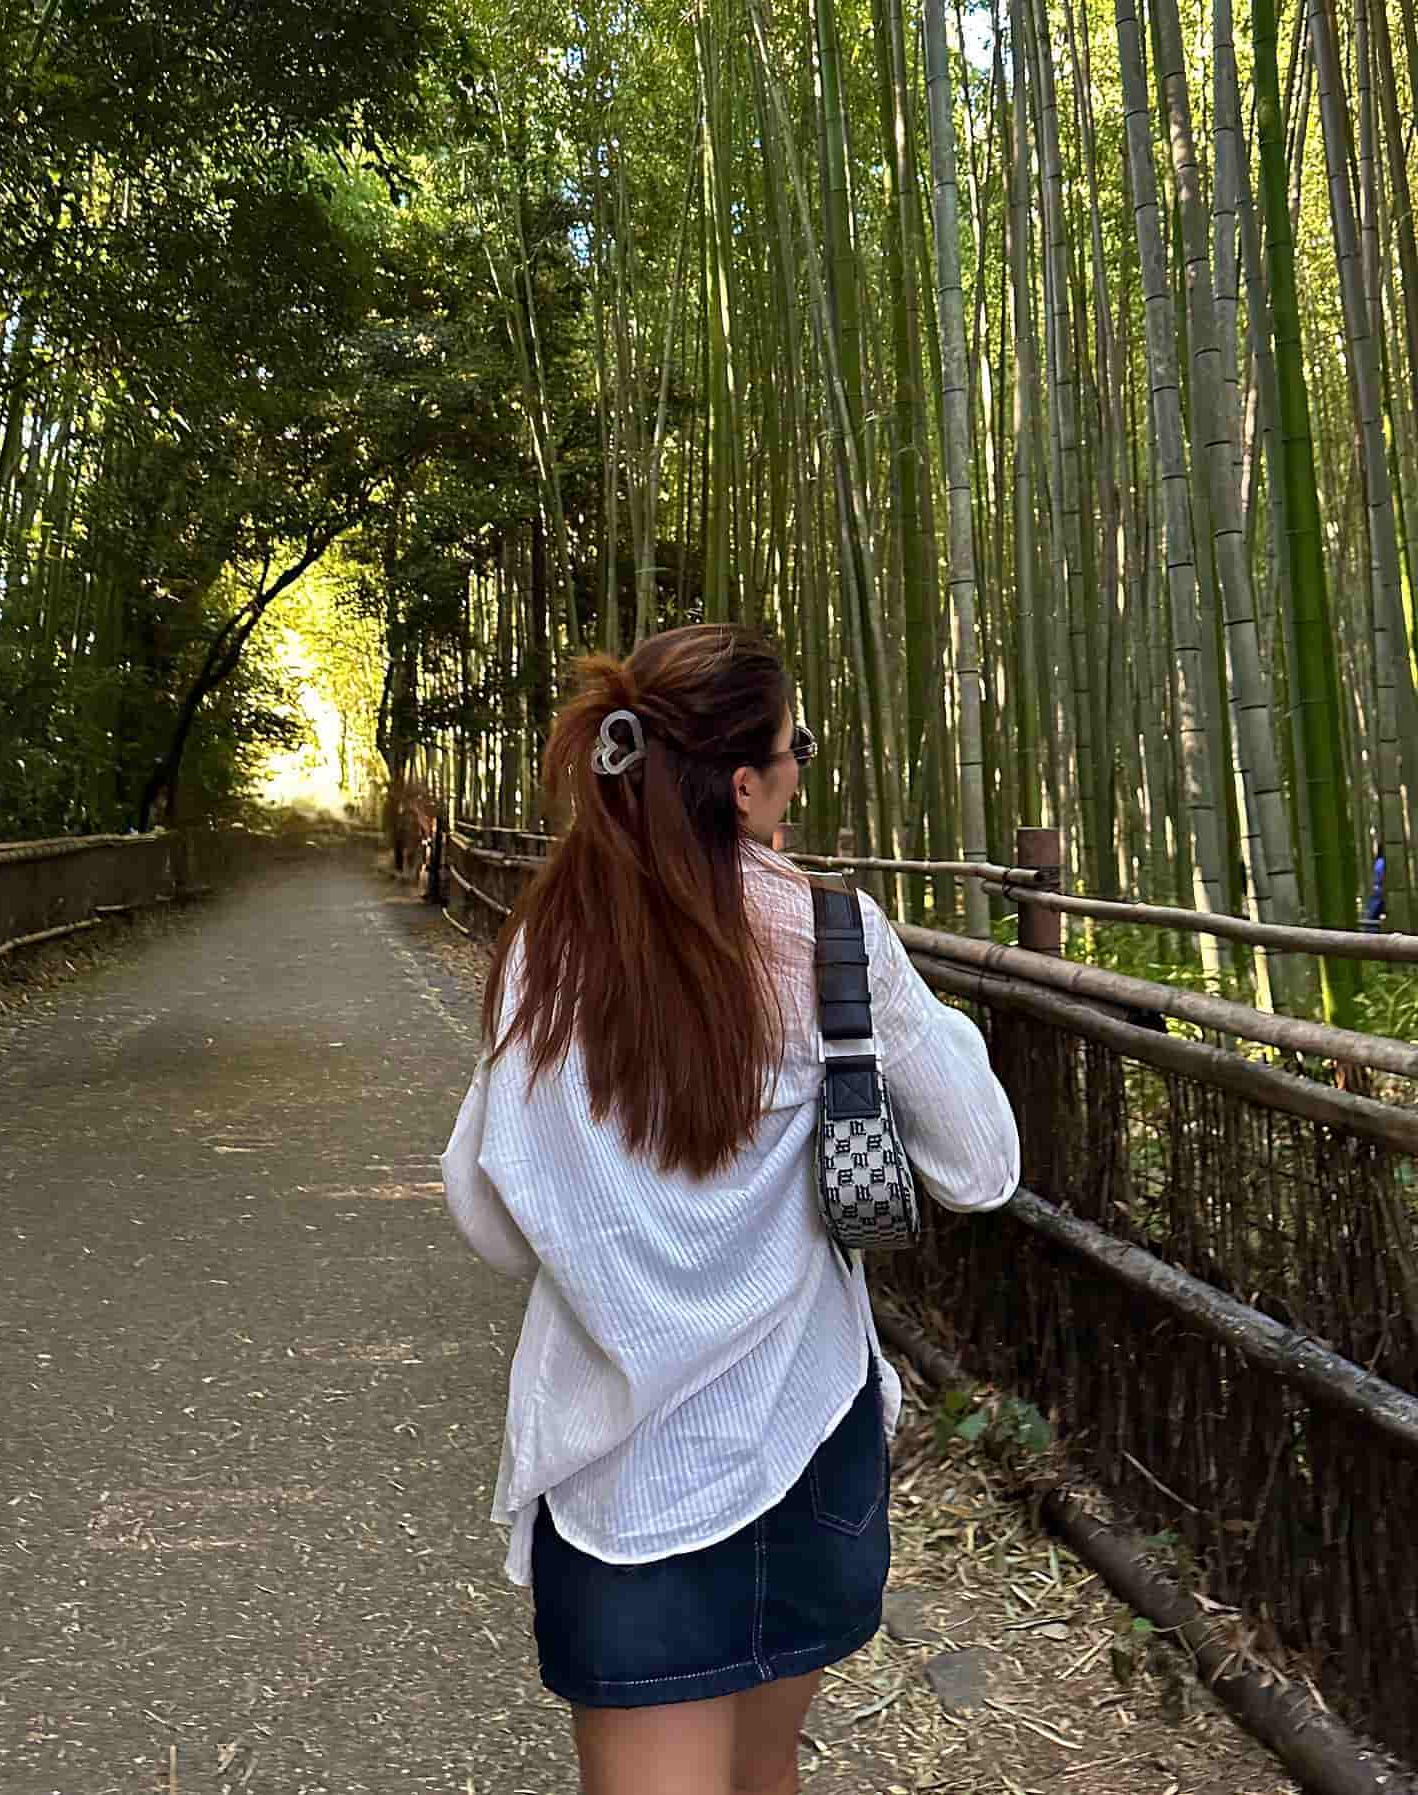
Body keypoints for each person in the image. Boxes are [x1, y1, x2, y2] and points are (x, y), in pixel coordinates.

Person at [440, 624, 1020, 1795]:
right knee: (767, 1776)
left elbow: (489, 1209)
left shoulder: (544, 953)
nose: (801, 775)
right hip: (809, 1440)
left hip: (624, 1465)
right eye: (796, 749)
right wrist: (913, 1025)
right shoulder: (834, 936)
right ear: (745, 782)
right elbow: (982, 1166)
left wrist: (616, 1249)